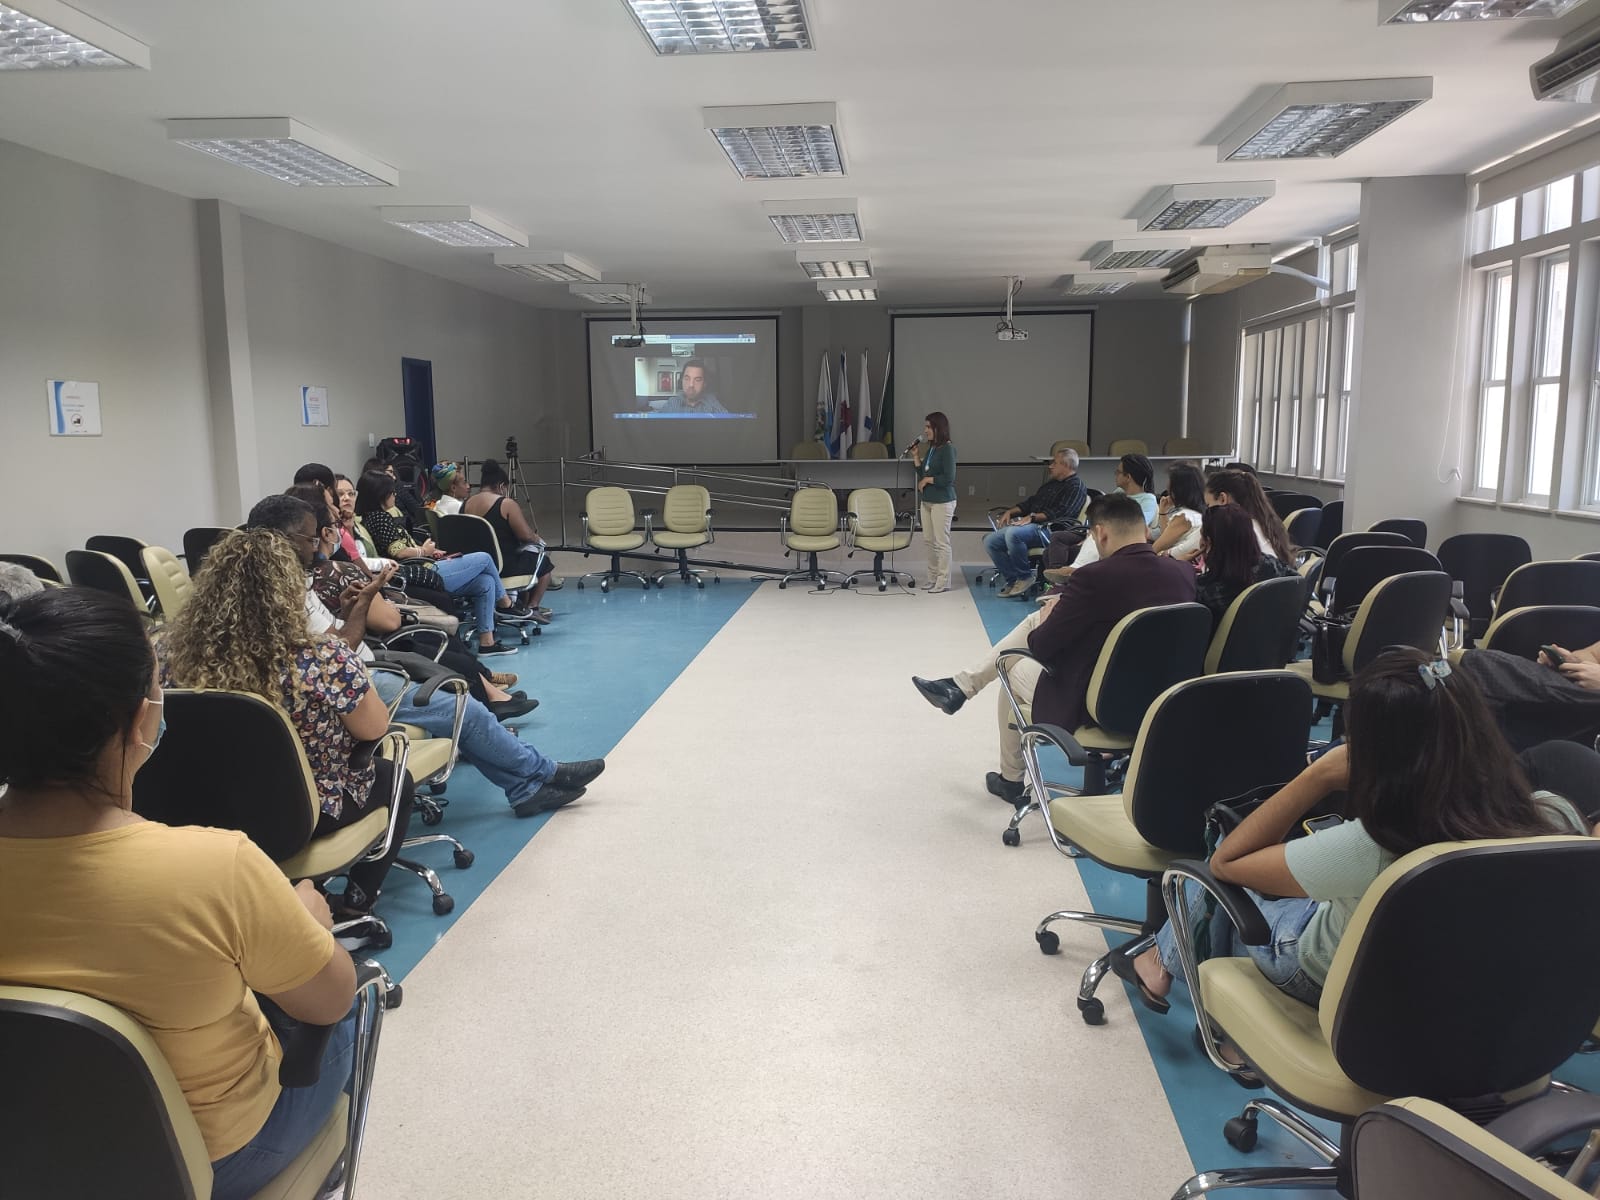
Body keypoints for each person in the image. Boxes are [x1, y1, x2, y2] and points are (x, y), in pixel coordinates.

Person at [0, 587, 359, 1200]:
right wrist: (309, 927)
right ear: (140, 715)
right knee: (353, 1002)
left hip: (24, 1152)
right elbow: (326, 1004)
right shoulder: (213, 866)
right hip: (209, 1160)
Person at [1121, 649, 1587, 1017]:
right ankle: (1223, 1018)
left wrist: (1317, 776)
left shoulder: (1382, 844)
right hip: (1476, 998)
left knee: (1222, 847)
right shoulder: (1557, 816)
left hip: (1337, 983)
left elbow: (1229, 865)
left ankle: (1161, 964)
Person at [248, 495, 602, 818]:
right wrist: (363, 605)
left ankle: (527, 787)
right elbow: (336, 655)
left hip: (354, 671)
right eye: (311, 539)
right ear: (285, 540)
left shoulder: (288, 583)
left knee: (460, 695)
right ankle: (544, 773)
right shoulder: (284, 596)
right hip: (352, 683)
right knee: (465, 710)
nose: (316, 547)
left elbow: (333, 646)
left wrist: (350, 610)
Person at [157, 528, 416, 917]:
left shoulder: (165, 655)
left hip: (191, 813)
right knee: (395, 776)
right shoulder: (323, 657)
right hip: (295, 817)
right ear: (289, 592)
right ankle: (356, 903)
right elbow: (374, 729)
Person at [911, 494, 1196, 802]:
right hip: (1163, 699)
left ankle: (1009, 776)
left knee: (1011, 667)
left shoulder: (1094, 577)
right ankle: (960, 686)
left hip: (1097, 702)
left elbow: (1043, 648)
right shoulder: (1181, 574)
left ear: (1100, 533)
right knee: (1031, 632)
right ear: (1145, 532)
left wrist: (1051, 618)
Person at [286, 486, 534, 718]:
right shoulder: (331, 573)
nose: (342, 507)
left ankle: (489, 677)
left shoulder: (318, 572)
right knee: (478, 567)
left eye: (350, 494)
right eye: (336, 504)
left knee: (483, 585)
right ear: (321, 532)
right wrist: (416, 557)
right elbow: (371, 628)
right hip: (374, 645)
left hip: (373, 626)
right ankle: (504, 614)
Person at [354, 469, 522, 657]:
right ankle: (506, 604)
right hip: (420, 571)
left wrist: (429, 551)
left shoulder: (378, 517)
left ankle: (487, 643)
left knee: (485, 583)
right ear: (380, 495)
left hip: (423, 564)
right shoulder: (379, 518)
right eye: (392, 492)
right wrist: (423, 551)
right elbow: (398, 552)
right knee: (484, 558)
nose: (395, 496)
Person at [984, 448, 1085, 598]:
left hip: (1053, 529)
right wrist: (1011, 512)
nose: (1050, 466)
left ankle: (1024, 577)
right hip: (1035, 526)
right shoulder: (1051, 484)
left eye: (1054, 463)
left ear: (1065, 465)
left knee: (1014, 534)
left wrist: (1033, 517)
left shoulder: (1075, 486)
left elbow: (1062, 513)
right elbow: (1031, 503)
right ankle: (1013, 580)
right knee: (990, 541)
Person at [463, 459, 554, 622]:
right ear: (501, 486)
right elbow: (525, 536)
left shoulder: (465, 505)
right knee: (544, 565)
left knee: (527, 558)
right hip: (504, 566)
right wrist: (537, 538)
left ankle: (517, 604)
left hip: (477, 566)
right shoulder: (505, 504)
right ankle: (532, 608)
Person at [1045, 453, 1161, 581]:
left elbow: (1135, 524)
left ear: (1128, 477)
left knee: (1096, 537)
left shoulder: (1148, 499)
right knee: (1059, 537)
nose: (1115, 475)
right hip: (1097, 530)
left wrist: (1096, 532)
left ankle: (1073, 570)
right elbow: (1101, 513)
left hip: (1117, 536)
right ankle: (1057, 577)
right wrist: (1091, 530)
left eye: (1118, 472)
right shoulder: (1119, 492)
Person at [1192, 503, 1296, 633]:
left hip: (1222, 651)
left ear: (1208, 542)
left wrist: (1180, 568)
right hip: (1271, 645)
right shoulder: (1272, 565)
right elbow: (1299, 583)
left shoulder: (1206, 591)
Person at [1203, 467, 1295, 562]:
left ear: (1223, 499)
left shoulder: (1234, 530)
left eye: (1208, 505)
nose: (1207, 510)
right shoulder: (1265, 523)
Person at [912, 411, 957, 593]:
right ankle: (932, 577)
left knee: (941, 542)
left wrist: (928, 480)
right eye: (925, 427)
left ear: (939, 428)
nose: (925, 431)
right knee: (928, 541)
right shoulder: (931, 449)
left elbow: (948, 478)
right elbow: (923, 472)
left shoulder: (948, 449)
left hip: (942, 501)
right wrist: (916, 456)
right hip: (928, 501)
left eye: (929, 427)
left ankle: (943, 580)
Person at [1152, 462, 1207, 560]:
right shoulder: (1200, 514)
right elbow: (1168, 536)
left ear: (1177, 489)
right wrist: (1163, 511)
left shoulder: (1184, 517)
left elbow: (1156, 548)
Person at [660, 358, 728, 414]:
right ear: (682, 380)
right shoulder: (672, 403)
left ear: (704, 384)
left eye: (697, 380)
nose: (691, 385)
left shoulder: (713, 403)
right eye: (687, 378)